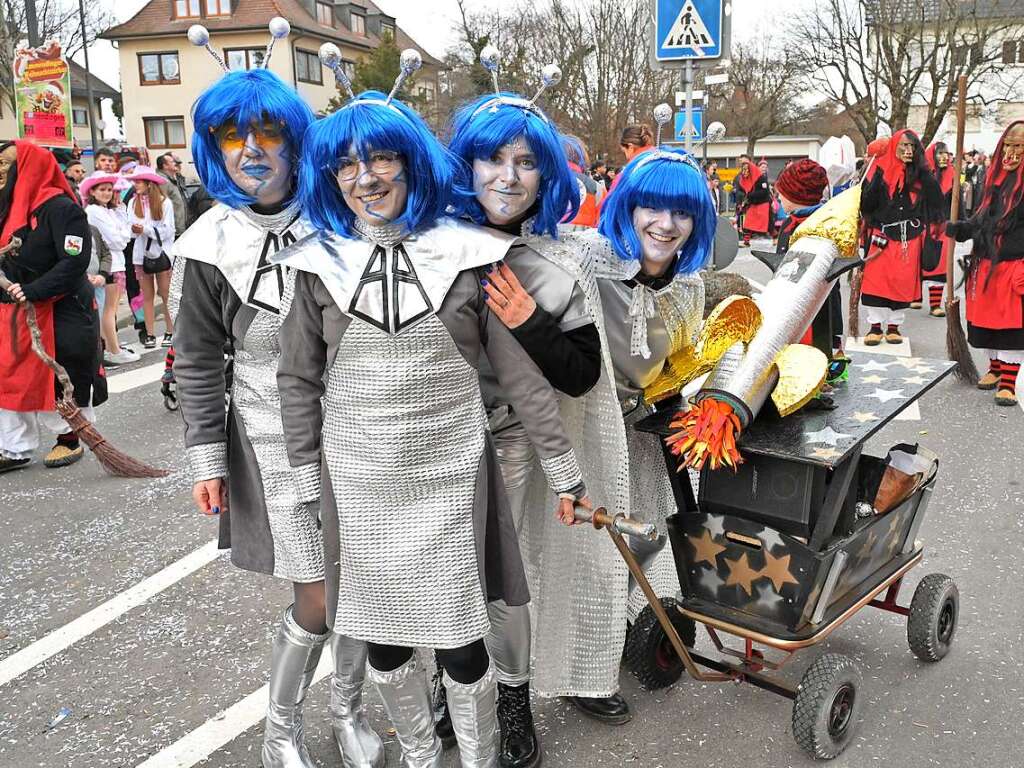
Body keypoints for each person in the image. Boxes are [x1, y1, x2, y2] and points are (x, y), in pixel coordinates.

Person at [275, 79, 589, 768]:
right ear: (331, 175)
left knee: (460, 640)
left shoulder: (467, 255)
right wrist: (303, 478)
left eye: (381, 158)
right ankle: (420, 756)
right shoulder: (314, 265)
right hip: (358, 485)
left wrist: (566, 472)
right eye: (348, 165)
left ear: (411, 162)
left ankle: (475, 761)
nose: (366, 178)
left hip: (450, 480)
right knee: (384, 641)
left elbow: (520, 380)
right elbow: (295, 380)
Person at [170, 39, 384, 767]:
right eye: (234, 136)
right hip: (271, 439)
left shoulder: (343, 218)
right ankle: (281, 733)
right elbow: (198, 359)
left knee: (365, 583)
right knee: (320, 595)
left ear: (296, 141)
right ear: (214, 147)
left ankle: (350, 715)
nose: (251, 150)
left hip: (362, 428)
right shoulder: (206, 245)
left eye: (268, 134)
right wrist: (206, 458)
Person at [446, 89, 613, 766]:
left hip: (510, 438)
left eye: (524, 162)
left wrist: (528, 322)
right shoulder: (426, 245)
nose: (507, 176)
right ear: (464, 164)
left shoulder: (555, 263)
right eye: (491, 158)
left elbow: (581, 372)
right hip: (431, 438)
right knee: (441, 570)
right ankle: (452, 684)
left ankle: (511, 696)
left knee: (502, 575)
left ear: (546, 175)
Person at [564, 145, 713, 720]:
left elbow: (680, 360)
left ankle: (608, 649)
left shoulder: (691, 283)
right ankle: (574, 670)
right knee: (582, 552)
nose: (665, 224)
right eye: (651, 206)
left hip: (645, 434)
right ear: (626, 206)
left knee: (642, 542)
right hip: (580, 431)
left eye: (681, 212)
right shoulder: (585, 259)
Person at [0, 141, 107, 472]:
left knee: (59, 376)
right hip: (14, 309)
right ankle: (13, 447)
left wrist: (33, 290)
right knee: (7, 377)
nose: (0, 172)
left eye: (6, 165)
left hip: (61, 308)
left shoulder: (61, 209)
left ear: (28, 168)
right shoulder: (8, 207)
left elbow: (74, 261)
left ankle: (69, 437)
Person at [948, 121, 1024, 406]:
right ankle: (994, 368)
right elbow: (982, 219)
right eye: (1008, 145)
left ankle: (1008, 380)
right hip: (985, 261)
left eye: (1019, 147)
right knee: (986, 319)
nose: (1011, 152)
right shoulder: (993, 179)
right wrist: (962, 229)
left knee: (1011, 322)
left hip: (1013, 262)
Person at [859, 130, 943, 345]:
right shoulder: (878, 171)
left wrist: (926, 175)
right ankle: (875, 327)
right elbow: (866, 206)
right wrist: (876, 176)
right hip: (882, 235)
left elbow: (937, 202)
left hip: (910, 237)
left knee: (902, 282)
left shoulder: (922, 174)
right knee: (875, 282)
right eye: (904, 146)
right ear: (894, 146)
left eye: (912, 147)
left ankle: (894, 326)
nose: (908, 150)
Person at [774, 158, 846, 365]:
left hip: (818, 307)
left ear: (797, 196)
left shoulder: (821, 225)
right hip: (789, 305)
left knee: (816, 350)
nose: (778, 196)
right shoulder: (790, 222)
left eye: (783, 192)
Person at [82, 170, 139, 366]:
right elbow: (117, 240)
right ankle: (112, 351)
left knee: (109, 309)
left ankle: (109, 347)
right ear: (93, 192)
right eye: (102, 190)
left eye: (109, 189)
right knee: (108, 309)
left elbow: (125, 234)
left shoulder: (109, 210)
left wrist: (122, 227)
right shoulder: (94, 212)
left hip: (117, 262)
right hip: (108, 265)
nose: (107, 193)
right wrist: (123, 232)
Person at [127, 165, 175, 349]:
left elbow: (169, 231)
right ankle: (150, 333)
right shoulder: (133, 203)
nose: (135, 185)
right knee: (147, 296)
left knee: (165, 294)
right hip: (141, 256)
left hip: (161, 255)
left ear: (149, 183)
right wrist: (133, 230)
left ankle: (170, 331)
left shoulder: (164, 203)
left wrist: (145, 229)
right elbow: (129, 230)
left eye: (138, 181)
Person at [919, 141, 955, 316]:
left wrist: (959, 224)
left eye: (946, 153)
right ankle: (915, 297)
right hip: (924, 225)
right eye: (940, 153)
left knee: (941, 266)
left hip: (944, 226)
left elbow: (958, 204)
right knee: (919, 263)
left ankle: (935, 305)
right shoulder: (923, 176)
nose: (944, 157)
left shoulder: (952, 175)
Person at [735, 153, 771, 245]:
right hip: (753, 203)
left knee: (768, 222)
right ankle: (746, 241)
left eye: (747, 170)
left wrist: (751, 195)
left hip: (763, 202)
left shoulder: (760, 177)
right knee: (748, 222)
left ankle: (775, 238)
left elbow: (764, 191)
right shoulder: (742, 178)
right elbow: (742, 191)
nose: (745, 172)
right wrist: (743, 201)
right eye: (744, 170)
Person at [156, 152, 188, 238]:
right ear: (165, 166)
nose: (176, 163)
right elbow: (161, 206)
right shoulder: (162, 181)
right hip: (173, 230)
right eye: (172, 161)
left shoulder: (172, 179)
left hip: (179, 227)